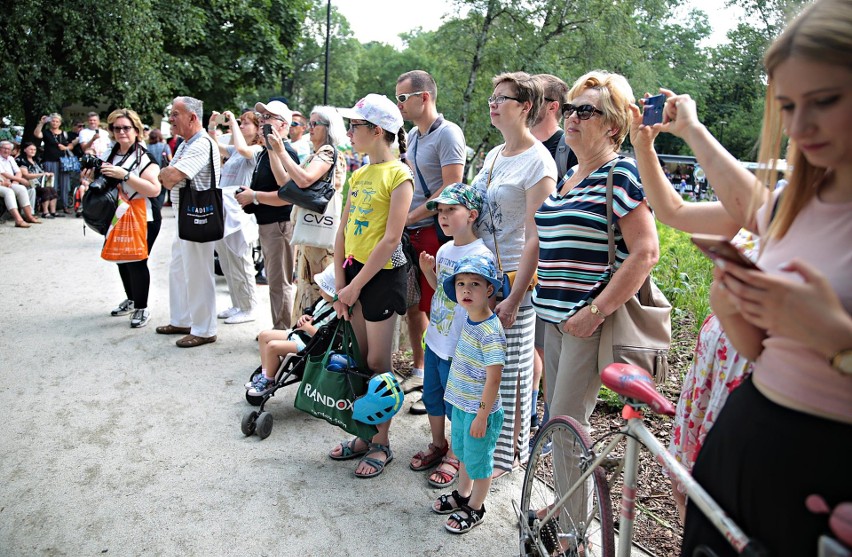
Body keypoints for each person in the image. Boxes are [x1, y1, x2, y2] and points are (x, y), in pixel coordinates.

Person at [650, 1, 852, 554]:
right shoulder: (800, 200)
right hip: (748, 442)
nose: (799, 126)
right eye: (786, 105)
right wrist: (737, 307)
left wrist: (833, 337)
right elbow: (763, 350)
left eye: (826, 100)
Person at [532, 71, 659, 532]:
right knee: (560, 425)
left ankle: (571, 533)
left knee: (566, 429)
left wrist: (595, 311)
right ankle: (567, 507)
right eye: (569, 108)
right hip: (552, 319)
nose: (572, 116)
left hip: (584, 321)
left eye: (585, 110)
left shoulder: (619, 172)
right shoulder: (569, 174)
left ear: (612, 124)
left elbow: (646, 251)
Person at [629, 99, 757, 524]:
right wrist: (643, 144)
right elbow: (675, 211)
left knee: (733, 508)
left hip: (753, 384)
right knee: (690, 493)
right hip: (714, 370)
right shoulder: (780, 210)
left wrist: (694, 131)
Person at [470, 71, 557, 478]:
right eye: (492, 95)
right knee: (483, 368)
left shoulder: (539, 161)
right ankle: (477, 448)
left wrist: (516, 296)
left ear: (526, 107)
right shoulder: (494, 154)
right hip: (482, 278)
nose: (493, 102)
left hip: (513, 283)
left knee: (511, 373)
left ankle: (507, 460)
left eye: (502, 97)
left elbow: (536, 237)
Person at [326, 94, 413, 479]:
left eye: (355, 126)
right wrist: (341, 286)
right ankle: (363, 433)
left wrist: (354, 287)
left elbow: (391, 239)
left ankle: (382, 442)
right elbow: (342, 231)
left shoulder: (400, 175)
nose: (349, 133)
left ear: (377, 131)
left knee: (379, 366)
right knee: (360, 363)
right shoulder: (360, 173)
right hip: (354, 278)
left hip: (380, 280)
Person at [411, 182, 494, 488]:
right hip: (436, 339)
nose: (443, 217)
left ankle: (457, 454)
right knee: (432, 395)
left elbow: (481, 303)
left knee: (457, 405)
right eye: (440, 212)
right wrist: (429, 271)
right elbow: (443, 292)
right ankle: (438, 444)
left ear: (471, 214)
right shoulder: (445, 249)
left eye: (450, 210)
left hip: (460, 347)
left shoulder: (481, 254)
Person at [395, 70, 467, 410]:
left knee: (440, 305)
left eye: (403, 97)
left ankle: (443, 384)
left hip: (434, 231)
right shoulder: (412, 135)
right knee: (414, 303)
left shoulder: (449, 133)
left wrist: (412, 215)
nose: (399, 104)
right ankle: (422, 371)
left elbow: (452, 185)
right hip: (412, 231)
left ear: (424, 97)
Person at [431, 254, 505, 534]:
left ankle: (476, 506)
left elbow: (494, 378)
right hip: (463, 406)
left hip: (479, 412)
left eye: (475, 284)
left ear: (489, 290)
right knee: (463, 454)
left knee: (479, 462)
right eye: (461, 283)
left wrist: (482, 416)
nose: (465, 290)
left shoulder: (490, 331)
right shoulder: (468, 319)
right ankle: (463, 494)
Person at [270, 105, 347, 323]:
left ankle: (308, 342)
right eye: (309, 124)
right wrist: (273, 150)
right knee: (306, 288)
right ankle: (301, 342)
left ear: (328, 128)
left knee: (316, 289)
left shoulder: (328, 152)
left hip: (320, 239)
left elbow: (304, 180)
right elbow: (284, 182)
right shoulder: (315, 155)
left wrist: (282, 152)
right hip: (311, 236)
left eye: (315, 124)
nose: (309, 128)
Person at [155, 96, 221, 347]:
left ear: (192, 117)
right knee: (179, 269)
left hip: (198, 217)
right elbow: (168, 176)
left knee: (198, 273)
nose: (170, 119)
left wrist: (168, 173)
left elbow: (170, 176)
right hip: (187, 216)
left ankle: (204, 329)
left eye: (175, 114)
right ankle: (182, 319)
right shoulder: (186, 144)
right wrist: (168, 174)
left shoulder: (201, 144)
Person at [88, 109, 162, 329]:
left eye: (126, 128)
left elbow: (154, 189)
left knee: (138, 261)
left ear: (137, 130)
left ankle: (142, 306)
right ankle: (131, 299)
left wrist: (126, 175)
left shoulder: (145, 156)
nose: (121, 132)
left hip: (143, 215)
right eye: (116, 128)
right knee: (122, 258)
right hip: (118, 214)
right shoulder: (110, 154)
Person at [528, 73, 571, 442]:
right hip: (529, 264)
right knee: (532, 347)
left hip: (555, 267)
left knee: (546, 349)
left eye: (534, 98)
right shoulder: (522, 147)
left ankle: (547, 424)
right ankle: (530, 415)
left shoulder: (568, 148)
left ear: (552, 106)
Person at [234, 100, 301, 330]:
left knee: (279, 282)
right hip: (269, 224)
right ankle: (279, 328)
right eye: (261, 117)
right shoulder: (266, 152)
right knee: (274, 281)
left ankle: (282, 332)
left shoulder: (286, 152)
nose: (262, 121)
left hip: (279, 224)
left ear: (283, 125)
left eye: (268, 117)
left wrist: (254, 197)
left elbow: (288, 194)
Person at [247, 264, 338, 396]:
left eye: (323, 289)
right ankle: (266, 373)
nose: (320, 292)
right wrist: (305, 318)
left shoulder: (336, 313)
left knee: (272, 346)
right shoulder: (323, 301)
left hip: (309, 344)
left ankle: (269, 380)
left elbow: (328, 339)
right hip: (299, 334)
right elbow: (312, 313)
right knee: (264, 335)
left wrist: (308, 327)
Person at [207, 109, 261, 325]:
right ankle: (238, 303)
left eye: (247, 123)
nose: (241, 125)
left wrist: (232, 124)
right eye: (241, 123)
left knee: (241, 260)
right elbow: (214, 146)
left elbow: (241, 148)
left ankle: (250, 306)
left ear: (257, 129)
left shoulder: (257, 149)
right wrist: (212, 126)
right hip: (223, 208)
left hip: (240, 212)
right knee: (227, 261)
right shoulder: (235, 150)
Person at [33, 113, 73, 214]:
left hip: (64, 161)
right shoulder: (46, 132)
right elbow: (37, 134)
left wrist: (66, 148)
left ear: (60, 123)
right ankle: (50, 208)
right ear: (50, 122)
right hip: (50, 160)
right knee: (51, 184)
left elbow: (70, 145)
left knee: (65, 183)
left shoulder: (64, 133)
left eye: (57, 121)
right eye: (53, 121)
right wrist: (41, 123)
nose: (55, 123)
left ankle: (65, 205)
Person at [0, 141, 41, 226]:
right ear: (0, 148)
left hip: (10, 182)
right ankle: (18, 220)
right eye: (4, 148)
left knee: (22, 189)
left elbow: (18, 171)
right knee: (9, 192)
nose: (6, 151)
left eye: (9, 149)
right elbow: (3, 173)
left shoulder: (11, 158)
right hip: (2, 182)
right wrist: (20, 180)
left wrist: (15, 181)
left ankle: (29, 216)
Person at [16, 141, 58, 218]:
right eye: (31, 149)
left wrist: (48, 174)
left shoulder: (36, 160)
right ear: (25, 150)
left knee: (52, 189)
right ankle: (45, 212)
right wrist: (41, 174)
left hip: (38, 182)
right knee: (46, 190)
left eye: (34, 150)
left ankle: (53, 211)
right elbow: (26, 175)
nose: (33, 151)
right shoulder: (21, 160)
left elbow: (42, 171)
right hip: (27, 182)